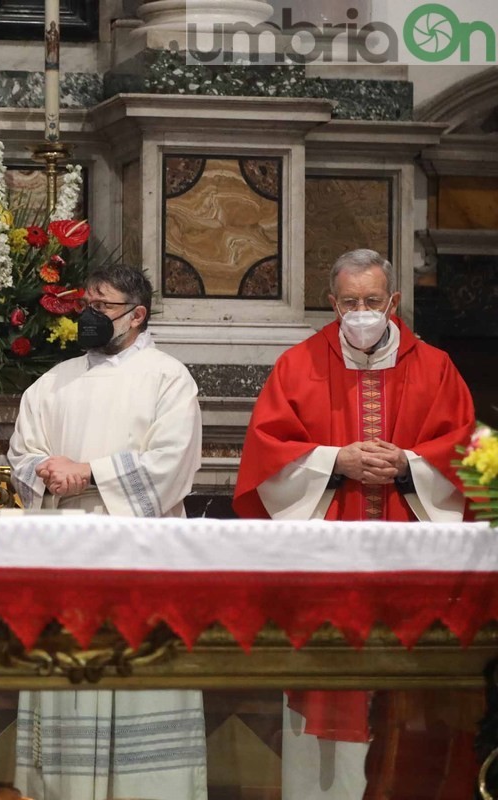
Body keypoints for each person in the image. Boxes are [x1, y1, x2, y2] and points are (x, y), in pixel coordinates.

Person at [233, 248, 475, 799]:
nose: (361, 311)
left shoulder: (436, 368)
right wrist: (334, 462)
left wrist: (410, 464)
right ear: (331, 302)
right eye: (349, 302)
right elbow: (266, 456)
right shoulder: (297, 366)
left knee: (410, 705)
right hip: (326, 566)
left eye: (372, 301)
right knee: (325, 687)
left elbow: (469, 454)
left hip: (411, 563)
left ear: (394, 301)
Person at [7, 263, 207, 799]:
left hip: (139, 557)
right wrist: (48, 470)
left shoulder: (168, 377)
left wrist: (89, 472)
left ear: (137, 316)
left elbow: (174, 464)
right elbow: (23, 454)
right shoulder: (54, 381)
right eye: (85, 305)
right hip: (67, 551)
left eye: (103, 307)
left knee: (140, 685)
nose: (89, 317)